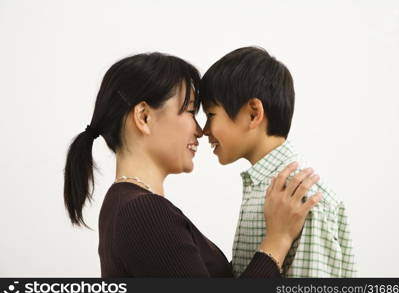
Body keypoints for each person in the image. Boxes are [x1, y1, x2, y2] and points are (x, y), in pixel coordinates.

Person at [63, 52, 321, 277]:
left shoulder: (126, 205)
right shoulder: (143, 213)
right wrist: (277, 241)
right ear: (144, 117)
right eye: (189, 111)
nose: (200, 130)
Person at [200, 46, 356, 277]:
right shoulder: (265, 188)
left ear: (253, 113)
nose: (204, 130)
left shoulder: (301, 197)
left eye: (211, 115)